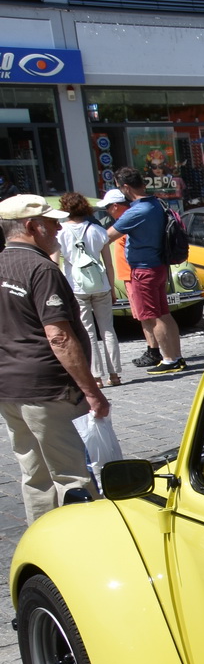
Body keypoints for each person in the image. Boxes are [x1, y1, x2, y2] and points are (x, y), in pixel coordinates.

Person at [0, 195, 108, 523]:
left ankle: (42, 540)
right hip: (49, 390)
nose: (58, 228)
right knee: (72, 474)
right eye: (51, 223)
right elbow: (59, 336)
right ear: (31, 227)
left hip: (10, 389)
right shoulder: (41, 268)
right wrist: (91, 391)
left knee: (34, 475)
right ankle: (84, 542)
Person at [106, 167, 183, 374]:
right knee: (164, 314)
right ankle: (176, 357)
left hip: (143, 270)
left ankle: (169, 359)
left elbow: (107, 237)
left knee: (154, 316)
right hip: (158, 266)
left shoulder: (136, 211)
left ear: (126, 187)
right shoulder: (157, 203)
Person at [56, 191, 121, 388]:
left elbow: (56, 262)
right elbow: (108, 264)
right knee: (108, 329)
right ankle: (115, 374)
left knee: (87, 331)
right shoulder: (98, 230)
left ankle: (96, 377)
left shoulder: (60, 233)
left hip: (76, 287)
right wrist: (111, 288)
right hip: (100, 284)